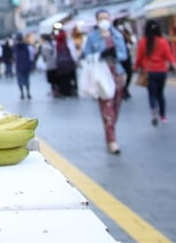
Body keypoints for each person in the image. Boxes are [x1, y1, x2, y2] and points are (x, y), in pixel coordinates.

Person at [82, 9, 129, 154]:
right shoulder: (92, 37)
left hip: (117, 73)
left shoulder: (117, 35)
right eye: (101, 18)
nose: (104, 21)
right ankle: (112, 140)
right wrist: (100, 55)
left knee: (116, 107)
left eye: (106, 18)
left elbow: (124, 55)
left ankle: (110, 131)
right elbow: (87, 55)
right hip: (102, 75)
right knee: (107, 108)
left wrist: (116, 55)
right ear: (97, 21)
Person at [134, 19, 176, 126]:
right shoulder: (163, 41)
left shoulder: (143, 42)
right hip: (161, 72)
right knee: (160, 94)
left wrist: (135, 68)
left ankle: (154, 111)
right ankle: (163, 116)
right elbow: (170, 57)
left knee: (152, 94)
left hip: (149, 72)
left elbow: (139, 58)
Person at [54, 27, 77, 97]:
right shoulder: (68, 42)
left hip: (60, 64)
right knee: (69, 78)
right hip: (68, 64)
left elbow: (55, 55)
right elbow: (73, 53)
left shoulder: (57, 43)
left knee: (62, 79)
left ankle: (63, 92)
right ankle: (69, 92)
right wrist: (75, 61)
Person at [118, 22, 136, 101]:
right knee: (119, 75)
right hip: (117, 56)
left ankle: (125, 88)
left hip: (126, 55)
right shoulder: (112, 32)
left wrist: (124, 33)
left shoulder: (125, 31)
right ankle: (121, 90)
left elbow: (131, 42)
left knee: (129, 73)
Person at [14, 32, 35, 99]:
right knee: (27, 80)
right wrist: (32, 64)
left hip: (19, 66)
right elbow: (32, 55)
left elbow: (14, 56)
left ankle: (22, 93)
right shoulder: (27, 46)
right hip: (26, 65)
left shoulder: (15, 47)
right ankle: (28, 93)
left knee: (20, 80)